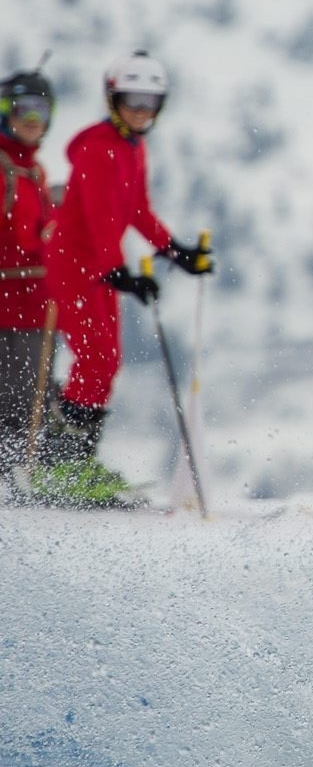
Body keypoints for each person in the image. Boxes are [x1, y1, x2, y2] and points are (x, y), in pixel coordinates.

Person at [35, 50, 213, 507]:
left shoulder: (133, 147)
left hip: (98, 270)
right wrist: (117, 271)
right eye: (133, 99)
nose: (141, 110)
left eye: (151, 101)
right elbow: (95, 217)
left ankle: (74, 463)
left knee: (106, 361)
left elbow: (135, 210)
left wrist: (176, 252)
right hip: (77, 270)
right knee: (96, 360)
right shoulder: (97, 147)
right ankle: (61, 467)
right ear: (113, 98)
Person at [0, 66, 55, 490]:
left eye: (41, 110)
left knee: (32, 394)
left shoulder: (34, 172)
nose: (33, 120)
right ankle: (12, 476)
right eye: (24, 109)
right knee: (13, 398)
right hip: (8, 304)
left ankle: (25, 475)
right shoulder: (6, 170)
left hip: (35, 303)